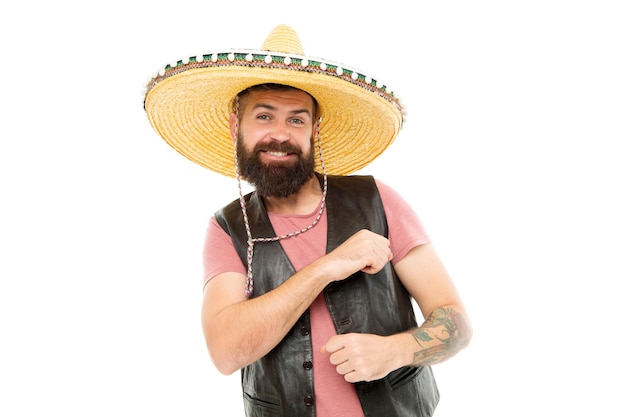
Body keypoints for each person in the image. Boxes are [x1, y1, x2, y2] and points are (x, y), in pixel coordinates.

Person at [144, 24, 472, 417]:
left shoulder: (378, 200)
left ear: (314, 132)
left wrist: (394, 351)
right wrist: (325, 268)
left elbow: (456, 323)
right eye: (264, 116)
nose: (280, 134)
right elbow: (226, 352)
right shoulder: (227, 229)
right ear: (237, 128)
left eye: (297, 120)